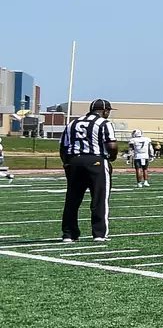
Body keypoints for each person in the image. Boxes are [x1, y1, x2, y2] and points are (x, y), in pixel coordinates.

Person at [59, 98, 115, 241]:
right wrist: (110, 158)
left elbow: (63, 147)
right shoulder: (104, 123)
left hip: (74, 160)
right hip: (95, 160)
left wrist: (67, 163)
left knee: (72, 199)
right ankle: (99, 233)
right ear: (104, 111)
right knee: (99, 198)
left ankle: (68, 233)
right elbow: (112, 145)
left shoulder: (73, 123)